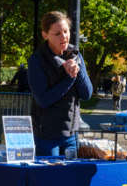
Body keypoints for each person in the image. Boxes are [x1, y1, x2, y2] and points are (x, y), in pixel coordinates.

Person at [27, 11, 93, 157]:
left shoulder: (75, 54)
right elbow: (43, 100)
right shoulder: (37, 60)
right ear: (45, 35)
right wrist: (69, 78)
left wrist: (77, 70)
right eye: (57, 34)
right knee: (49, 178)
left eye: (65, 31)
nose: (64, 37)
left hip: (71, 135)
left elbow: (87, 94)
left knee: (70, 178)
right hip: (46, 137)